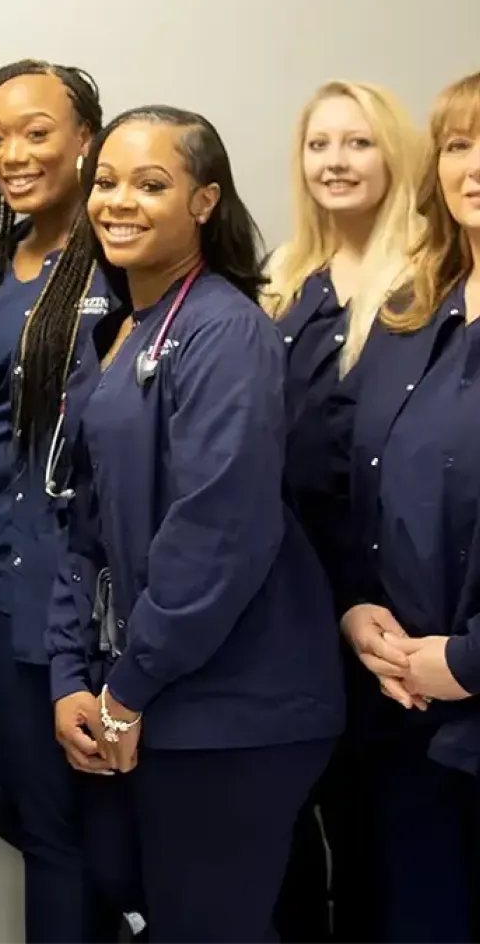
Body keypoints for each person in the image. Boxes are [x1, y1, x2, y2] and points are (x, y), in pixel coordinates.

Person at [47, 105, 346, 944]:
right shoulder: (116, 333)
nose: (120, 202)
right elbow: (87, 526)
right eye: (105, 182)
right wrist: (71, 675)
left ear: (205, 202)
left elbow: (218, 530)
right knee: (140, 896)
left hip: (236, 709)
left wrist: (129, 686)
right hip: (151, 692)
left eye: (152, 184)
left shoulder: (227, 333)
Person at [0, 59, 120, 944]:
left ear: (88, 138)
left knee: (52, 826)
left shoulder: (119, 258)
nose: (13, 153)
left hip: (53, 586)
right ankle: (126, 906)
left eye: (36, 132)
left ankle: (123, 904)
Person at [264, 80, 422, 944]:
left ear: (394, 154)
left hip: (392, 613)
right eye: (319, 144)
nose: (335, 161)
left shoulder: (431, 285)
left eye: (357, 143)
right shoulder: (288, 285)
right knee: (284, 848)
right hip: (293, 608)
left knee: (381, 855)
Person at [337, 70, 480, 944]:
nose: (475, 166)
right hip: (395, 710)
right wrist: (356, 609)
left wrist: (468, 661)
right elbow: (360, 490)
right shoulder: (409, 315)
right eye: (460, 145)